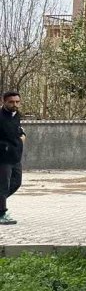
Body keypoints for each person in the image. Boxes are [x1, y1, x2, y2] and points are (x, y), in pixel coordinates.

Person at [0, 91, 26, 225]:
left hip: (15, 157)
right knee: (3, 186)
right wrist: (5, 147)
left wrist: (22, 135)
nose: (14, 104)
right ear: (3, 101)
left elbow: (18, 129)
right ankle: (2, 213)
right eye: (11, 102)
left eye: (17, 102)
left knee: (16, 183)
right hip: (3, 158)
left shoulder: (16, 115)